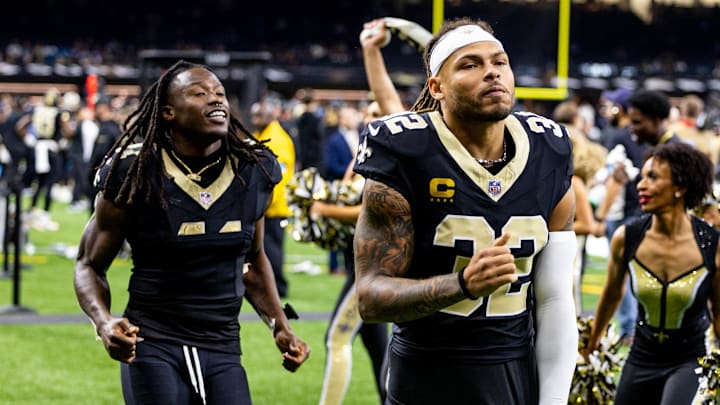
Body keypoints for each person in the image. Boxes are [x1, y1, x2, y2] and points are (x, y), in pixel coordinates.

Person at [353, 18, 578, 404]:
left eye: (500, 61)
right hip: (424, 376)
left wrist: (553, 401)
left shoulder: (549, 150)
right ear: (436, 87)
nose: (492, 72)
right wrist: (462, 285)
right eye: (470, 64)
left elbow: (556, 298)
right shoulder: (407, 150)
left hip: (511, 373)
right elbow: (371, 298)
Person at [73, 60, 310, 405]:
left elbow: (253, 263)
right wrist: (104, 322)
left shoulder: (254, 170)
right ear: (167, 113)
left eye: (220, 94)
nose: (216, 100)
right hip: (153, 339)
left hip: (222, 343)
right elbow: (89, 264)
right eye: (199, 93)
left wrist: (281, 327)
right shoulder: (134, 172)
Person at [584, 142, 720, 405]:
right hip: (641, 356)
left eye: (653, 177)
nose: (640, 185)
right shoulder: (627, 238)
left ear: (680, 187)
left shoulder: (712, 246)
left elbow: (719, 312)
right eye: (643, 176)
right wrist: (593, 342)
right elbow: (612, 292)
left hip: (688, 359)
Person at [251, 98, 296, 297]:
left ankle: (279, 287)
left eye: (259, 115)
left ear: (272, 115)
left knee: (272, 250)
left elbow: (280, 178)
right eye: (254, 115)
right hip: (262, 207)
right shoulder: (259, 135)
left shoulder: (277, 139)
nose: (255, 119)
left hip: (273, 208)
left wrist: (264, 205)